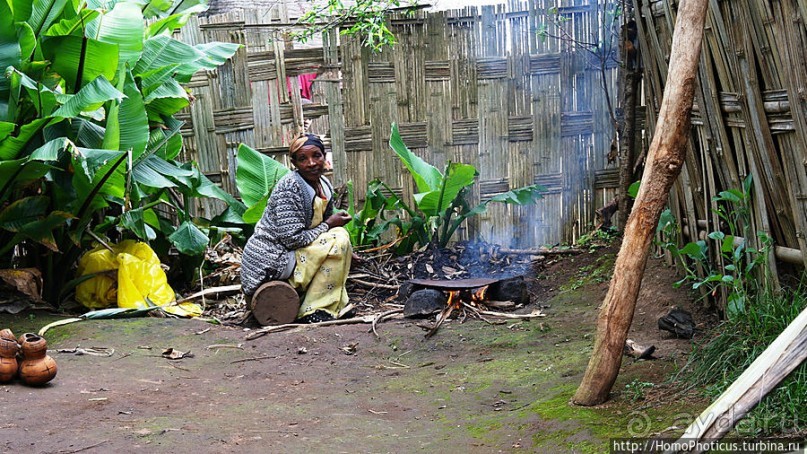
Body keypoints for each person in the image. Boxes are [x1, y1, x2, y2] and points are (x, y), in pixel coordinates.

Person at [241, 133, 353, 325]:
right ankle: (313, 310)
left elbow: (326, 228)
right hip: (272, 260)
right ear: (294, 163)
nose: (311, 163)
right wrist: (329, 224)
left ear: (324, 156)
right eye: (303, 159)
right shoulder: (290, 187)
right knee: (339, 237)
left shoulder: (324, 184)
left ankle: (331, 305)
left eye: (316, 156)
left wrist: (347, 251)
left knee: (341, 236)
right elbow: (292, 239)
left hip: (292, 252)